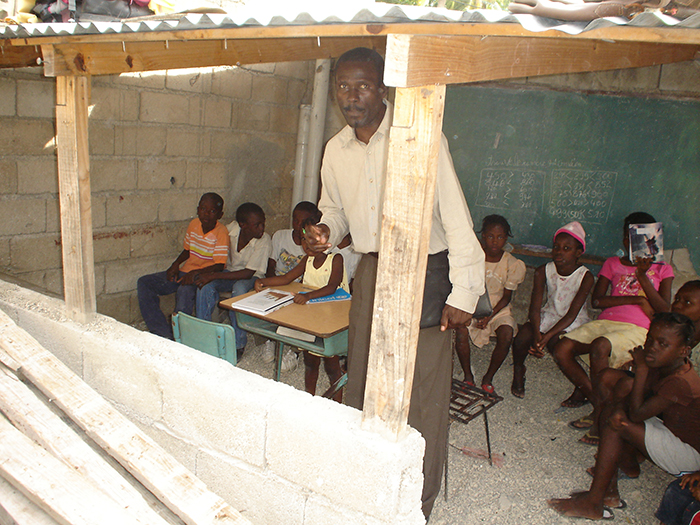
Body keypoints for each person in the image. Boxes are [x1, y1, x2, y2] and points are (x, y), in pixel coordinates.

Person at [302, 47, 485, 518]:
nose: (351, 96)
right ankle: (366, 487)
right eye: (343, 86)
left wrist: (465, 291)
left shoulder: (419, 135)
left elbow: (456, 218)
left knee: (421, 394)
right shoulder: (335, 150)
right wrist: (326, 232)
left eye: (362, 85)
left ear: (383, 87)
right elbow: (336, 211)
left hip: (425, 274)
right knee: (362, 382)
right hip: (372, 272)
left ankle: (417, 504)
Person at [548, 312, 700, 521]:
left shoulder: (681, 381)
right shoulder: (666, 363)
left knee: (617, 420)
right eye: (650, 339)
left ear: (683, 351)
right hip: (670, 430)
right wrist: (633, 376)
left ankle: (594, 502)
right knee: (616, 390)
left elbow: (637, 413)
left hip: (689, 455)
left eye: (662, 344)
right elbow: (639, 396)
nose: (652, 347)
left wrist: (642, 370)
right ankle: (613, 486)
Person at [553, 212, 674, 445]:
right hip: (607, 322)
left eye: (642, 238)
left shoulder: (662, 268)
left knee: (600, 346)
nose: (633, 244)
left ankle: (599, 417)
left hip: (638, 328)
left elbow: (663, 309)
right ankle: (601, 404)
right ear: (624, 239)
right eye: (630, 238)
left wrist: (643, 276)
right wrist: (637, 301)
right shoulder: (612, 263)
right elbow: (597, 301)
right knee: (562, 348)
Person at [255, 216, 348, 402]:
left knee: (331, 365)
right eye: (303, 239)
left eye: (312, 239)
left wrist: (307, 296)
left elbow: (332, 287)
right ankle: (309, 400)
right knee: (310, 361)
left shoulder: (335, 259)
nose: (306, 244)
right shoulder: (307, 260)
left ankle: (338, 404)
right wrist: (264, 282)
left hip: (333, 320)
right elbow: (286, 278)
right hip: (312, 318)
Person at [511, 221, 595, 398]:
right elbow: (534, 309)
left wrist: (545, 337)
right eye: (556, 247)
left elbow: (572, 314)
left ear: (578, 253)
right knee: (521, 338)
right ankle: (519, 370)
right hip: (549, 315)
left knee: (556, 345)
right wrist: (536, 334)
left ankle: (582, 388)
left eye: (566, 248)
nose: (559, 252)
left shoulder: (585, 277)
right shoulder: (543, 271)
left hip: (573, 321)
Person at [137, 192, 228, 340]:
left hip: (203, 276)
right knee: (145, 283)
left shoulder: (221, 232)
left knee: (184, 291)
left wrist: (195, 274)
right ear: (197, 209)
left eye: (212, 211)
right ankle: (162, 332)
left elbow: (219, 265)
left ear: (220, 214)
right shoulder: (194, 225)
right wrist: (175, 264)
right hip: (185, 272)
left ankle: (179, 334)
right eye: (203, 209)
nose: (206, 214)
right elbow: (187, 250)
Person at [455, 214, 526, 394]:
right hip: (472, 305)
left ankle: (488, 377)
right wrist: (474, 313)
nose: (495, 241)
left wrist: (490, 316)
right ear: (483, 237)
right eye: (490, 236)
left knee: (506, 333)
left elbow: (506, 297)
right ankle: (468, 376)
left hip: (498, 309)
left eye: (500, 237)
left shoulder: (511, 263)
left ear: (506, 238)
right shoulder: (474, 259)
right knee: (461, 330)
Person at [194, 202, 271, 360]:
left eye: (263, 223)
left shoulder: (264, 240)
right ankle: (204, 336)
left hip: (253, 278)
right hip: (229, 273)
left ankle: (238, 343)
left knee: (240, 289)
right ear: (242, 225)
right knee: (205, 286)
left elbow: (248, 273)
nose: (262, 228)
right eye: (257, 225)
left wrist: (213, 275)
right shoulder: (230, 230)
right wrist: (208, 274)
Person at [261, 201, 320, 368]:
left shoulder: (312, 248)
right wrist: (269, 283)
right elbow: (272, 266)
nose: (297, 225)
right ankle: (270, 339)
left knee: (299, 309)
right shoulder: (280, 236)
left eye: (303, 222)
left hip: (300, 288)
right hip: (279, 281)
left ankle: (295, 350)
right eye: (295, 220)